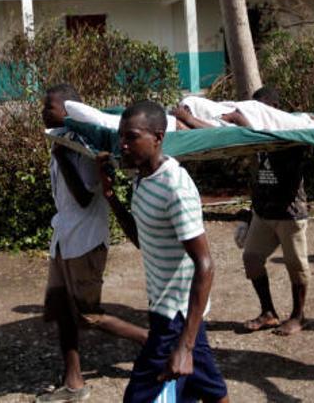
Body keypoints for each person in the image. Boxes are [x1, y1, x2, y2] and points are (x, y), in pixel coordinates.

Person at [96, 100, 229, 403]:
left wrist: (185, 346)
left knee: (138, 398)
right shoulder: (143, 179)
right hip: (165, 309)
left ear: (157, 137)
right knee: (208, 389)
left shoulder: (175, 188)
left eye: (131, 137)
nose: (123, 145)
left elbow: (205, 265)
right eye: (121, 137)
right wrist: (110, 196)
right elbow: (144, 238)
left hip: (175, 315)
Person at [38, 84, 148, 403]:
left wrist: (62, 156)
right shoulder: (61, 143)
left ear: (69, 110)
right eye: (44, 108)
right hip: (63, 238)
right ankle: (73, 383)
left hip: (85, 241)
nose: (44, 113)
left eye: (51, 108)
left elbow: (86, 197)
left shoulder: (81, 147)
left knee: (88, 315)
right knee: (61, 310)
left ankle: (151, 341)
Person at [234, 87, 312, 336]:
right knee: (252, 259)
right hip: (263, 212)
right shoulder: (254, 133)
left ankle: (298, 316)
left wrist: (242, 121)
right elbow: (257, 176)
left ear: (275, 108)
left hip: (289, 212)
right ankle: (268, 312)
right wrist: (248, 214)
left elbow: (267, 140)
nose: (257, 114)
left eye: (262, 109)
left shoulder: (292, 131)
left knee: (296, 266)